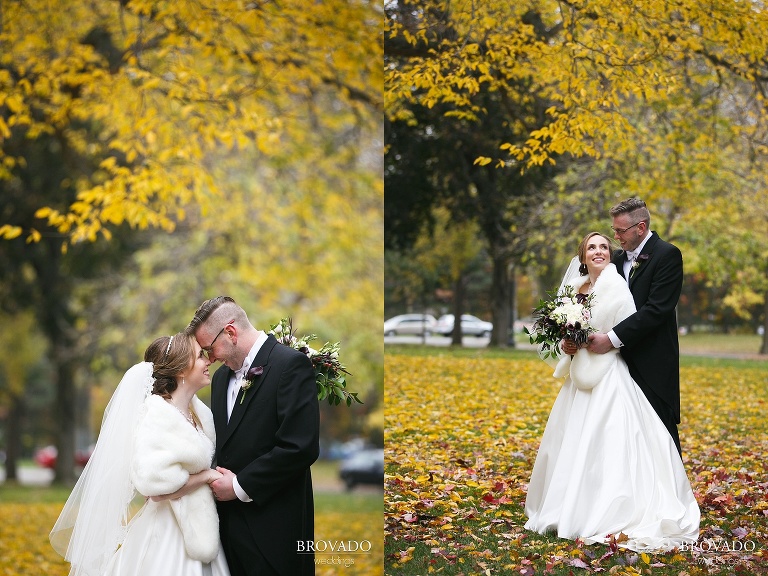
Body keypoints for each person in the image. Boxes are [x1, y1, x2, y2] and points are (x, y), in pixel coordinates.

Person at [524, 232, 699, 551]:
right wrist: (569, 344)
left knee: (608, 439)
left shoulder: (618, 286)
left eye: (605, 246)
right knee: (572, 440)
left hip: (610, 375)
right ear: (583, 256)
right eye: (592, 247)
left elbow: (629, 328)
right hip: (579, 378)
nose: (599, 251)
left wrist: (604, 340)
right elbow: (562, 334)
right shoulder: (574, 290)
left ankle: (608, 509)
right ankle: (567, 505)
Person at [50, 332, 230, 576]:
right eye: (200, 356)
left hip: (200, 526)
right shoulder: (155, 416)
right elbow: (154, 487)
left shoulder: (198, 413)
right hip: (168, 534)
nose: (208, 361)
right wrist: (207, 476)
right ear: (180, 369)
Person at [186, 296, 320, 576]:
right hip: (227, 535)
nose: (209, 359)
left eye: (209, 349)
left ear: (231, 333)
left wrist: (239, 486)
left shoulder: (290, 365)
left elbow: (300, 447)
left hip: (276, 532)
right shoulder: (221, 379)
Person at [584, 198, 684, 455]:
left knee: (660, 433)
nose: (615, 236)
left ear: (640, 228)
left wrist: (612, 338)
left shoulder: (667, 255)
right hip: (616, 365)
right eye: (614, 230)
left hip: (652, 362)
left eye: (620, 231)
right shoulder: (616, 259)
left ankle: (672, 491)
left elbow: (656, 310)